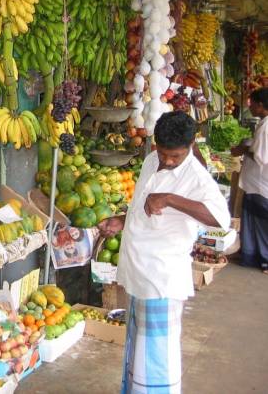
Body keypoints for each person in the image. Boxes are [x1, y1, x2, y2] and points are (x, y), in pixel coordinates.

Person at [98, 111, 230, 394]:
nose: (168, 161)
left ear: (191, 145)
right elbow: (141, 206)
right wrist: (122, 219)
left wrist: (170, 199)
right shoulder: (150, 161)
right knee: (139, 348)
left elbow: (221, 220)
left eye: (176, 156)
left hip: (161, 277)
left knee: (158, 355)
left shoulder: (196, 177)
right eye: (164, 153)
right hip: (138, 271)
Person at [231, 87, 268, 273]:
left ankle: (265, 260)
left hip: (261, 184)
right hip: (256, 184)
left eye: (252, 103)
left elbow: (262, 157)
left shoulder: (266, 127)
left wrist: (243, 149)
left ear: (261, 105)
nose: (250, 106)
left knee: (261, 224)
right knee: (253, 221)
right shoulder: (264, 124)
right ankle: (250, 255)